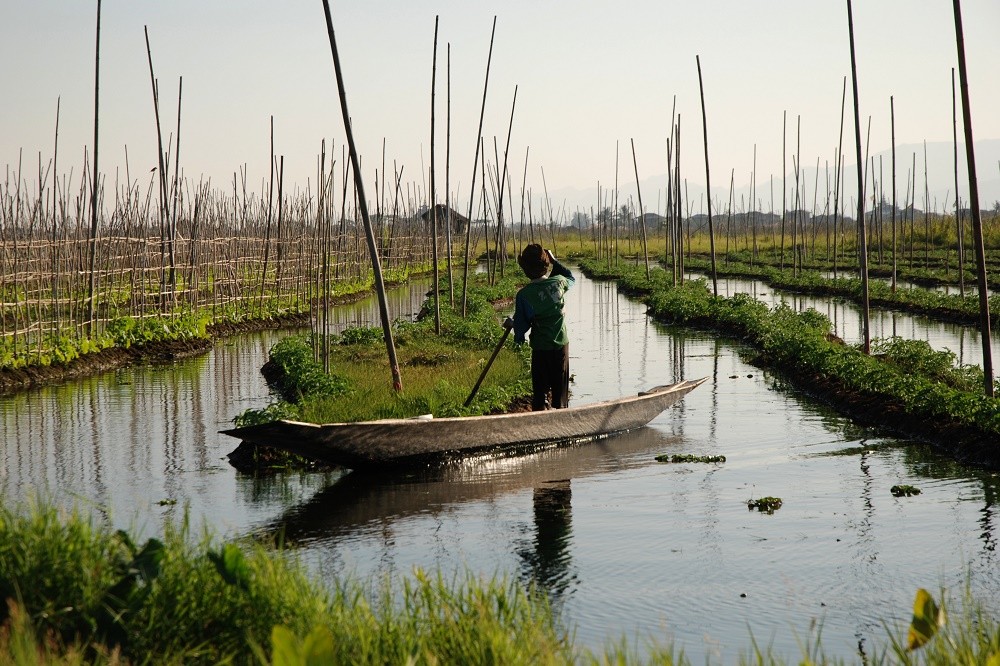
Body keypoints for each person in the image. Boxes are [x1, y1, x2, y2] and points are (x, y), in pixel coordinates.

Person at [511, 244, 575, 411]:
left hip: (540, 348)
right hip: (561, 345)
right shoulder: (559, 283)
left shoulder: (524, 295)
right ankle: (560, 413)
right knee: (560, 391)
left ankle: (540, 412)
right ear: (546, 265)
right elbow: (570, 277)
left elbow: (521, 325)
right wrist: (556, 262)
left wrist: (517, 334)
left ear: (525, 270)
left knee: (540, 391)